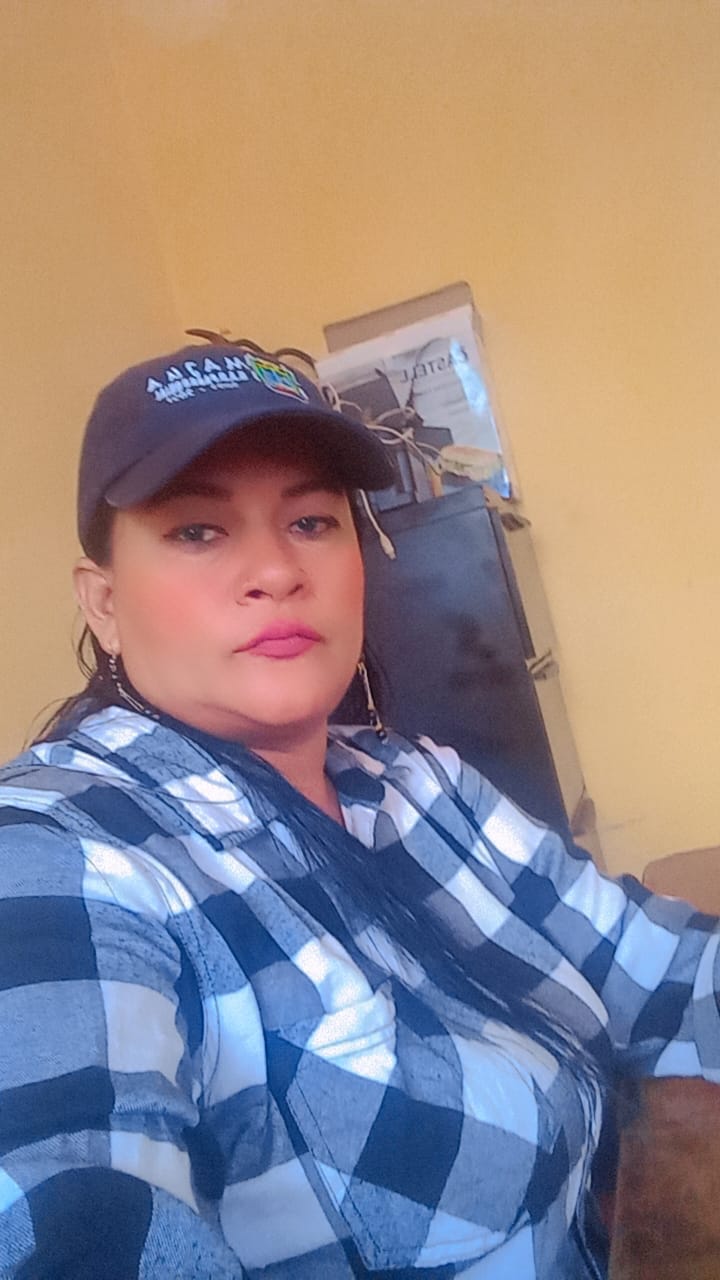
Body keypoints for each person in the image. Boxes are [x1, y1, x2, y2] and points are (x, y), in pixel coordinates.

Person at [0, 342, 718, 1280]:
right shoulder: (58, 855)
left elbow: (661, 972)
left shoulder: (418, 783)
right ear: (103, 602)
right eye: (198, 531)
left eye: (311, 521)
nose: (275, 570)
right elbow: (69, 1207)